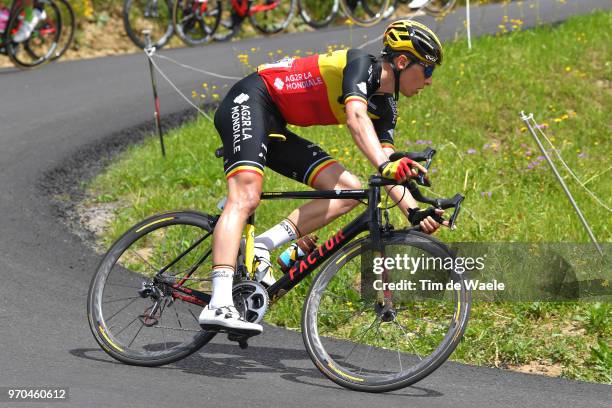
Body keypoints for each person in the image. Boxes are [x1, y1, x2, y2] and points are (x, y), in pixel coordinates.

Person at [199, 19, 448, 337]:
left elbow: (385, 164)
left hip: (277, 122)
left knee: (349, 190)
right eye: (428, 70)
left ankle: (263, 245)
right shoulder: (360, 65)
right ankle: (218, 301)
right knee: (246, 196)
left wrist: (414, 210)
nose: (429, 81)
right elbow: (356, 117)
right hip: (251, 100)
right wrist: (388, 167)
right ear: (402, 62)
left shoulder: (386, 106)